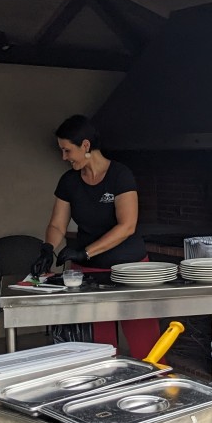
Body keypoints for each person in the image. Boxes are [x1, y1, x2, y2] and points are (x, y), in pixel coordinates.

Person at [30, 114, 160, 358]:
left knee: (146, 340)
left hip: (131, 271)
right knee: (98, 346)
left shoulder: (120, 175)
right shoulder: (69, 181)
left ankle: (158, 388)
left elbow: (127, 226)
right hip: (88, 273)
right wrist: (47, 248)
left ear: (86, 145)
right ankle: (103, 389)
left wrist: (85, 251)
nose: (64, 157)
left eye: (67, 150)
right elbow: (57, 224)